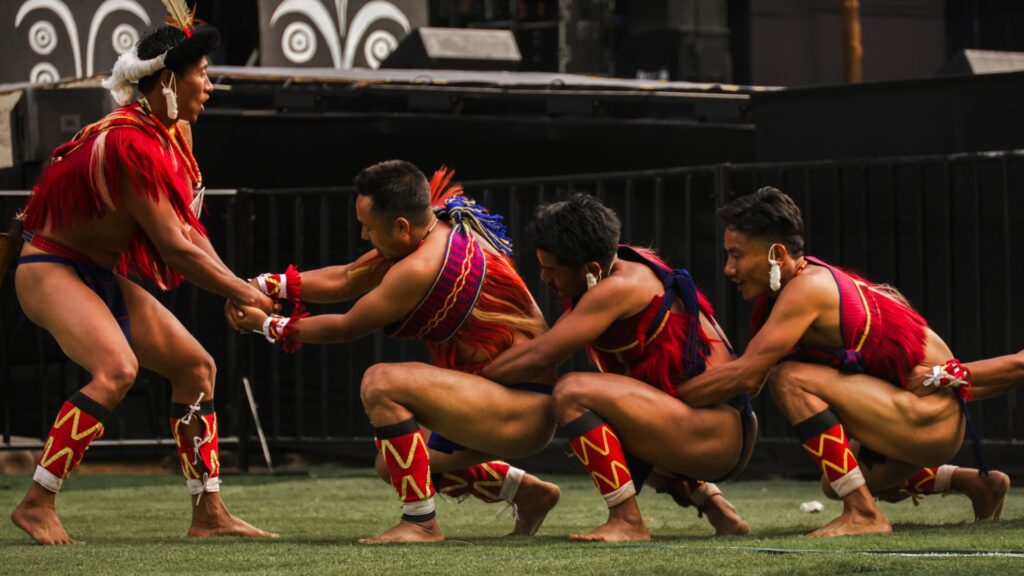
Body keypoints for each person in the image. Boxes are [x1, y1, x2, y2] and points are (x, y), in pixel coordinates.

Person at [10, 6, 277, 545]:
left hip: (97, 273)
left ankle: (208, 514)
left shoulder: (174, 134)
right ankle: (37, 502)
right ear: (166, 81)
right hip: (50, 266)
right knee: (116, 369)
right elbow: (176, 249)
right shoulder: (132, 144)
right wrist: (240, 290)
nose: (210, 82)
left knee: (196, 370)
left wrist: (235, 287)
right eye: (201, 72)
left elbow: (189, 233)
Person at [232, 161, 560, 544]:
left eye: (369, 228)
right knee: (393, 464)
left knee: (381, 381)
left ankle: (420, 524)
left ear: (401, 227)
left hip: (521, 409)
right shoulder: (437, 224)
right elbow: (347, 277)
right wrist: (261, 285)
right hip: (498, 395)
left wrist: (264, 324)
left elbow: (345, 327)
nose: (364, 235)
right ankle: (528, 492)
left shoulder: (421, 266)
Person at [676, 186, 1010, 537]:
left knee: (789, 378)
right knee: (834, 481)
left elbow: (748, 375)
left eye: (736, 255)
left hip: (930, 415)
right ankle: (975, 484)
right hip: (915, 410)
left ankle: (864, 514)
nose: (729, 268)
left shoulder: (806, 289)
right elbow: (749, 377)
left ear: (777, 253)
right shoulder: (795, 287)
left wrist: (669, 397)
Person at [480, 194, 754, 542]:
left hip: (714, 435)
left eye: (551, 268)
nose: (544, 277)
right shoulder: (619, 262)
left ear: (592, 269)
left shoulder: (620, 286)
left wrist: (470, 379)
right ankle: (719, 510)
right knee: (606, 416)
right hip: (712, 428)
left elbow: (540, 355)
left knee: (572, 392)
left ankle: (627, 520)